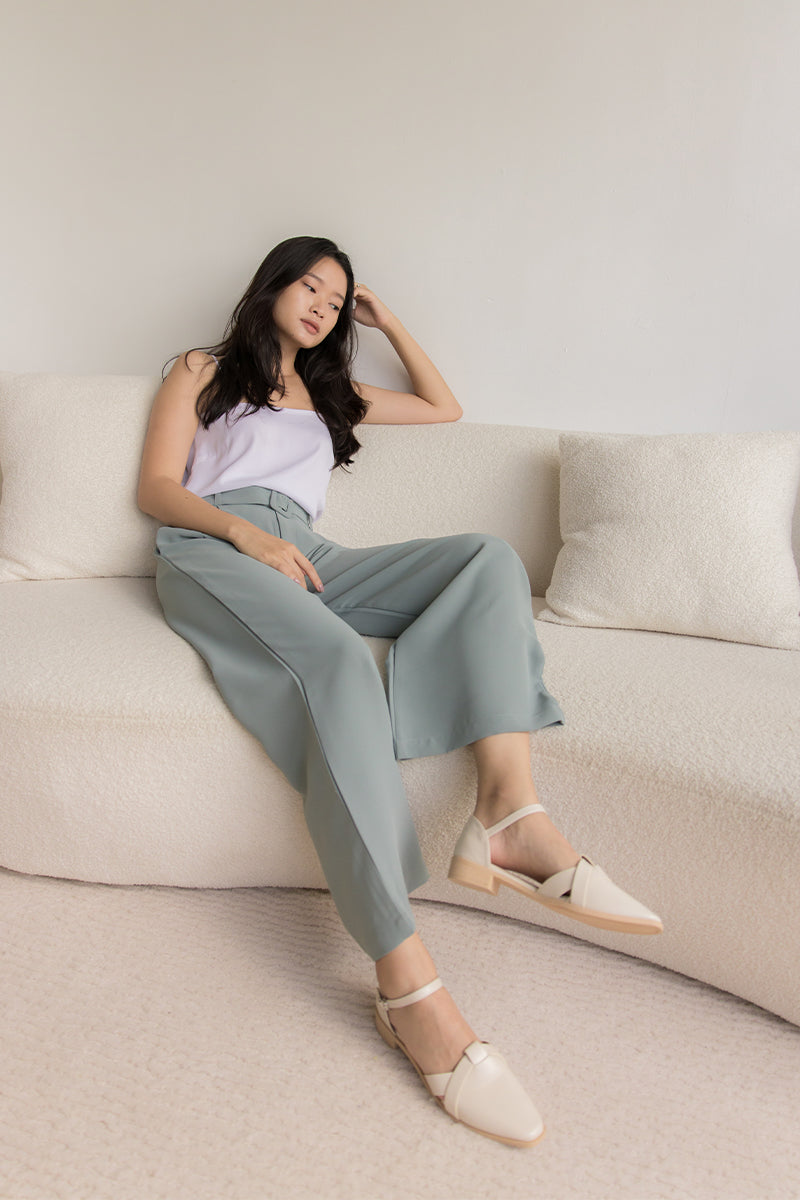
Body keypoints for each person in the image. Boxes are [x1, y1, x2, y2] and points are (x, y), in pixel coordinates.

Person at [138, 235, 662, 1148]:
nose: (321, 304)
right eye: (309, 284)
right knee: (339, 663)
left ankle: (507, 812)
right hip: (213, 546)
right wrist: (241, 535)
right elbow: (154, 487)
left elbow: (444, 407)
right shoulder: (202, 367)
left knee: (487, 563)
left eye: (337, 299)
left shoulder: (334, 393)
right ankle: (408, 985)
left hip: (310, 552)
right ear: (270, 285)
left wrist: (388, 321)